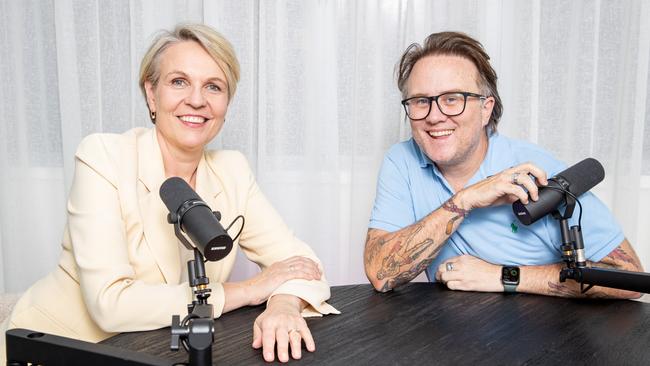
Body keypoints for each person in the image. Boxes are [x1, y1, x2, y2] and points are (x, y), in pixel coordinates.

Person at [1, 23, 337, 364]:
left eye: (213, 86)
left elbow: (302, 265)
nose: (196, 99)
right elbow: (110, 304)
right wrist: (250, 290)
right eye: (179, 82)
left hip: (156, 354)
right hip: (56, 351)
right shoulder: (103, 156)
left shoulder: (232, 169)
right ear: (151, 93)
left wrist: (282, 305)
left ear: (227, 102)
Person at [364, 31, 644, 299]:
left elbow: (629, 279)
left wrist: (505, 276)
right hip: (453, 336)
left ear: (486, 108)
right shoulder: (402, 161)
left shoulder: (539, 170)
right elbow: (380, 274)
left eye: (452, 99)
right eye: (421, 101)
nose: (434, 116)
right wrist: (466, 200)